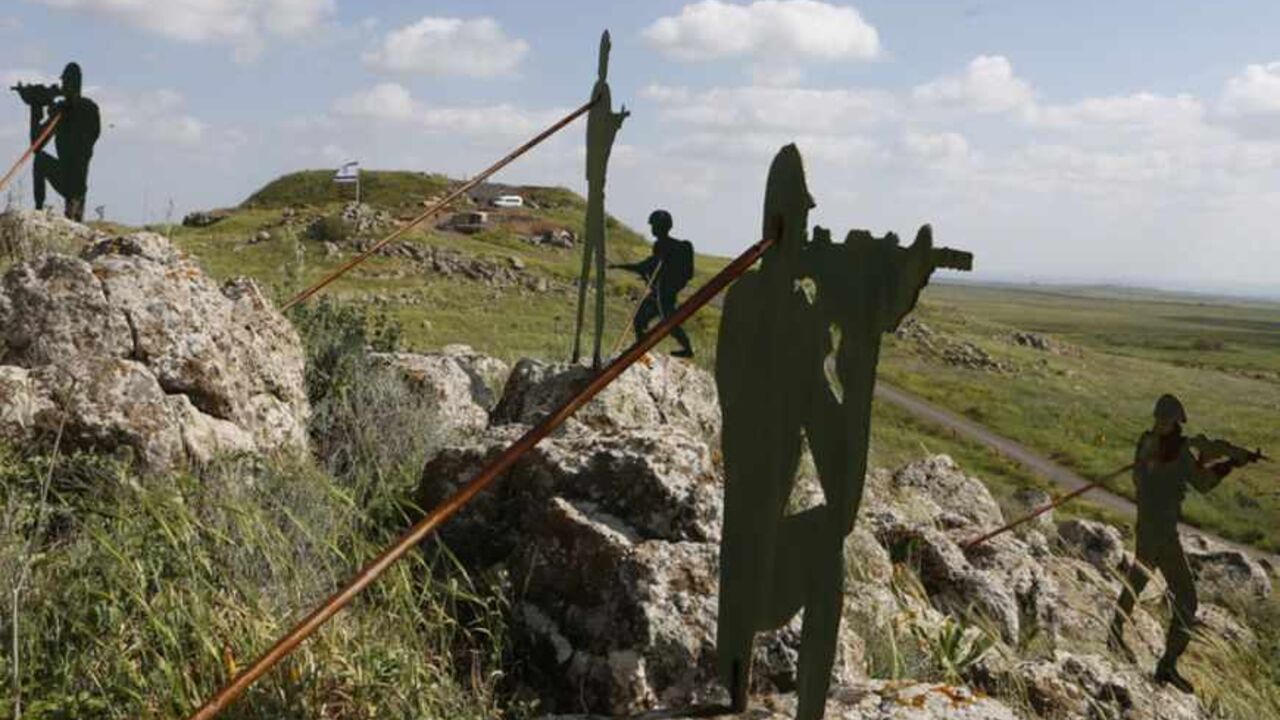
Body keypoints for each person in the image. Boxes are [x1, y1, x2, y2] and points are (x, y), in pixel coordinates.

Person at [1108, 394, 1246, 693]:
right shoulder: (1177, 451)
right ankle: (1167, 666)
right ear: (1174, 421)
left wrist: (1200, 459)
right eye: (1174, 423)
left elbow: (1161, 475)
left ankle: (1114, 631)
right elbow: (1203, 484)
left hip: (1146, 525)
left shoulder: (1146, 442)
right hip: (1163, 532)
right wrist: (1229, 464)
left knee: (1138, 577)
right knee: (1186, 598)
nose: (1172, 427)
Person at [571, 31, 628, 371]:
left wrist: (614, 123)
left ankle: (591, 352)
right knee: (592, 270)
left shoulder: (600, 94)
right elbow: (597, 143)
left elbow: (600, 141)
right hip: (595, 193)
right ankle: (583, 351)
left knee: (594, 270)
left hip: (597, 190)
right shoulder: (599, 93)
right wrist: (613, 125)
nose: (604, 61)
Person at [611, 209, 695, 358]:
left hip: (664, 293)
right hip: (659, 292)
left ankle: (685, 349)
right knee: (642, 320)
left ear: (661, 226)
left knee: (668, 320)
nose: (652, 229)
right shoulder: (663, 245)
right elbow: (649, 266)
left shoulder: (666, 246)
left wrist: (624, 267)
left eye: (654, 225)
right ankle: (643, 347)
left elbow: (649, 266)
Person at [22, 62, 100, 222]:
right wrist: (36, 109)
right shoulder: (63, 110)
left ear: (75, 84)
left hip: (77, 180)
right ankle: (38, 211)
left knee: (74, 217)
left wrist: (60, 111)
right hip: (65, 175)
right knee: (40, 160)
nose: (63, 86)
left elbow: (87, 139)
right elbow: (37, 146)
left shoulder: (88, 108)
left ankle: (46, 213)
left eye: (66, 82)